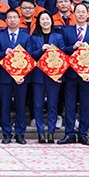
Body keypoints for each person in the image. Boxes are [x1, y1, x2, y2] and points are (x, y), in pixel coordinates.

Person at [58, 3, 89, 145]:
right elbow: (62, 50)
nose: (81, 14)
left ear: (88, 14)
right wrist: (72, 47)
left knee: (85, 104)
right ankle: (69, 133)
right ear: (74, 14)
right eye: (78, 12)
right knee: (69, 105)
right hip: (71, 74)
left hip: (88, 75)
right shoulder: (67, 31)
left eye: (84, 12)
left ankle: (83, 133)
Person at [28, 11, 65, 143]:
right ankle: (40, 133)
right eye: (42, 19)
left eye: (47, 19)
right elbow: (31, 55)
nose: (45, 21)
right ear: (38, 22)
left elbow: (62, 56)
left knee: (52, 105)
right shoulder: (34, 37)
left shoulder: (58, 37)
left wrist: (60, 74)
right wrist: (41, 50)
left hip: (53, 75)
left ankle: (51, 132)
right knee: (38, 105)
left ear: (51, 21)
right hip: (38, 76)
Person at [0, 10, 32, 144]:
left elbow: (30, 56)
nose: (12, 20)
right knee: (5, 106)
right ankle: (6, 134)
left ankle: (20, 134)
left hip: (21, 77)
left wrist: (23, 75)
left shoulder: (26, 37)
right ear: (5, 20)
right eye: (9, 17)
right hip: (4, 77)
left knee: (20, 106)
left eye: (14, 17)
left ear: (19, 19)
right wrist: (3, 53)